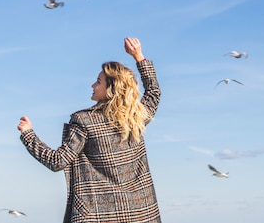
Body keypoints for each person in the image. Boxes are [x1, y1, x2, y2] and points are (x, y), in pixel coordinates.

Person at [17, 37, 162, 223]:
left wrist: (28, 134)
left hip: (98, 217)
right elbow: (153, 92)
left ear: (111, 88)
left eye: (98, 81)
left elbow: (57, 161)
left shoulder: (84, 121)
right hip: (142, 214)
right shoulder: (135, 118)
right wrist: (138, 56)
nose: (92, 85)